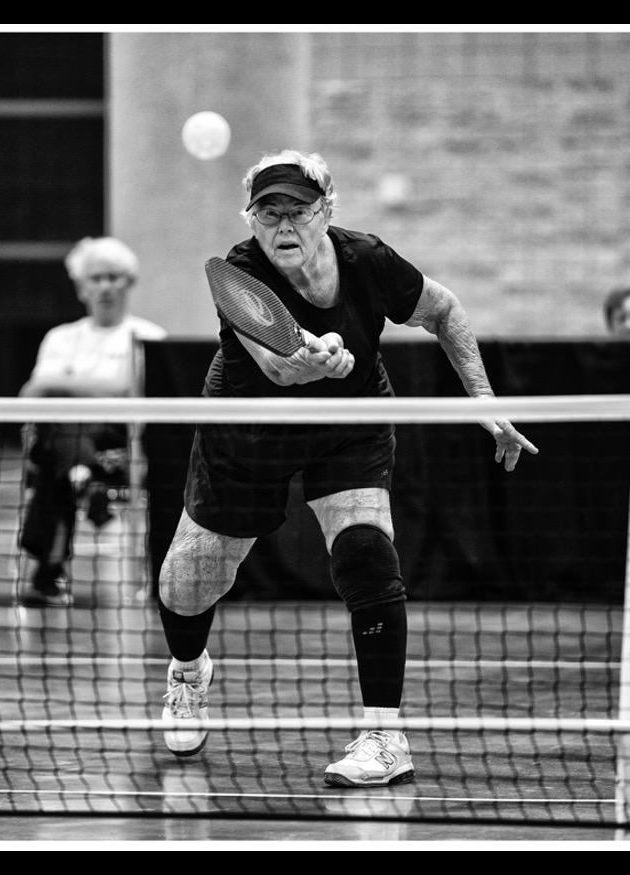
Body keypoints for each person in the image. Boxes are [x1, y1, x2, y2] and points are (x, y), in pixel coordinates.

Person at [155, 151, 538, 787]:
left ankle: (386, 736)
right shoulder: (240, 272)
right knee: (187, 583)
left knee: (366, 552)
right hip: (249, 429)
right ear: (251, 219)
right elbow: (279, 369)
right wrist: (316, 359)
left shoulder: (365, 260)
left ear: (327, 211)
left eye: (298, 211)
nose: (284, 225)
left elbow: (444, 311)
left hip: (349, 423)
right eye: (267, 212)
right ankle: (189, 673)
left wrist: (486, 406)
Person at [15, 237, 167, 607]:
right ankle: (84, 482)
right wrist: (99, 391)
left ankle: (48, 573)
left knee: (58, 443)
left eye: (114, 277)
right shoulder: (60, 338)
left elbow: (126, 391)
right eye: (96, 278)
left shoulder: (148, 338)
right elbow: (31, 395)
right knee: (57, 432)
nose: (106, 286)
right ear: (82, 287)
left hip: (120, 446)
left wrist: (62, 384)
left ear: (128, 282)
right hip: (66, 439)